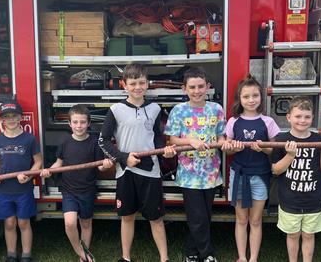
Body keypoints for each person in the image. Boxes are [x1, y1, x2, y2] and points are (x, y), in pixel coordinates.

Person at [98, 63, 176, 262]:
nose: (137, 87)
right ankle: (125, 257)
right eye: (132, 83)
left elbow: (158, 137)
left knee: (156, 218)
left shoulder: (155, 108)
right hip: (126, 171)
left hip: (150, 171)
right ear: (124, 85)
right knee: (127, 216)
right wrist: (124, 158)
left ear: (147, 84)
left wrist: (163, 153)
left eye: (141, 82)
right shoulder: (115, 110)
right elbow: (103, 140)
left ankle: (164, 258)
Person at [164, 67, 231, 262]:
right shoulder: (179, 110)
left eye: (201, 86)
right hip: (189, 174)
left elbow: (220, 136)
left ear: (208, 87)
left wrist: (224, 142)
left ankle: (191, 253)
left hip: (211, 173)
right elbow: (173, 140)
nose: (197, 91)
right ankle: (207, 254)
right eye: (192, 87)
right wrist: (190, 141)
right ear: (185, 89)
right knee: (197, 217)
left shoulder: (216, 109)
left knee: (203, 217)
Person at [40, 104, 114, 262]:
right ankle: (80, 251)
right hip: (69, 190)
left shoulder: (94, 142)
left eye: (82, 122)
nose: (79, 126)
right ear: (69, 124)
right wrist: (48, 171)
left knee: (86, 224)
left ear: (88, 123)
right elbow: (58, 163)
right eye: (75, 122)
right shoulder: (65, 143)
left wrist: (106, 165)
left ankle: (85, 253)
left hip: (87, 190)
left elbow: (100, 165)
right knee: (70, 223)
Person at [271, 97, 321, 262]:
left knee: (309, 235)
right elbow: (276, 170)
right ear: (288, 117)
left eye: (307, 117)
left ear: (313, 118)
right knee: (293, 235)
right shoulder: (281, 139)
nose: (302, 120)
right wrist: (290, 155)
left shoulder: (318, 139)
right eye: (298, 116)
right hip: (290, 199)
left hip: (314, 198)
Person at [224, 75, 281, 262]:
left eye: (255, 95)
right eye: (246, 96)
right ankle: (241, 257)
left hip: (260, 176)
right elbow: (227, 146)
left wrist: (264, 148)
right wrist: (233, 147)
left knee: (256, 220)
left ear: (260, 98)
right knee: (241, 219)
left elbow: (274, 149)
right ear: (239, 99)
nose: (251, 100)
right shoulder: (233, 121)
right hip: (239, 175)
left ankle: (253, 257)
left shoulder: (268, 122)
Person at [0, 100, 43, 262]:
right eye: (7, 117)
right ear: (1, 120)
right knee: (9, 223)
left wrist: (28, 175)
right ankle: (11, 254)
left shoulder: (29, 139)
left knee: (23, 222)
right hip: (4, 191)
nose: (11, 119)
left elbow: (38, 162)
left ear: (20, 117)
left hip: (23, 190)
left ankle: (26, 255)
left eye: (14, 116)